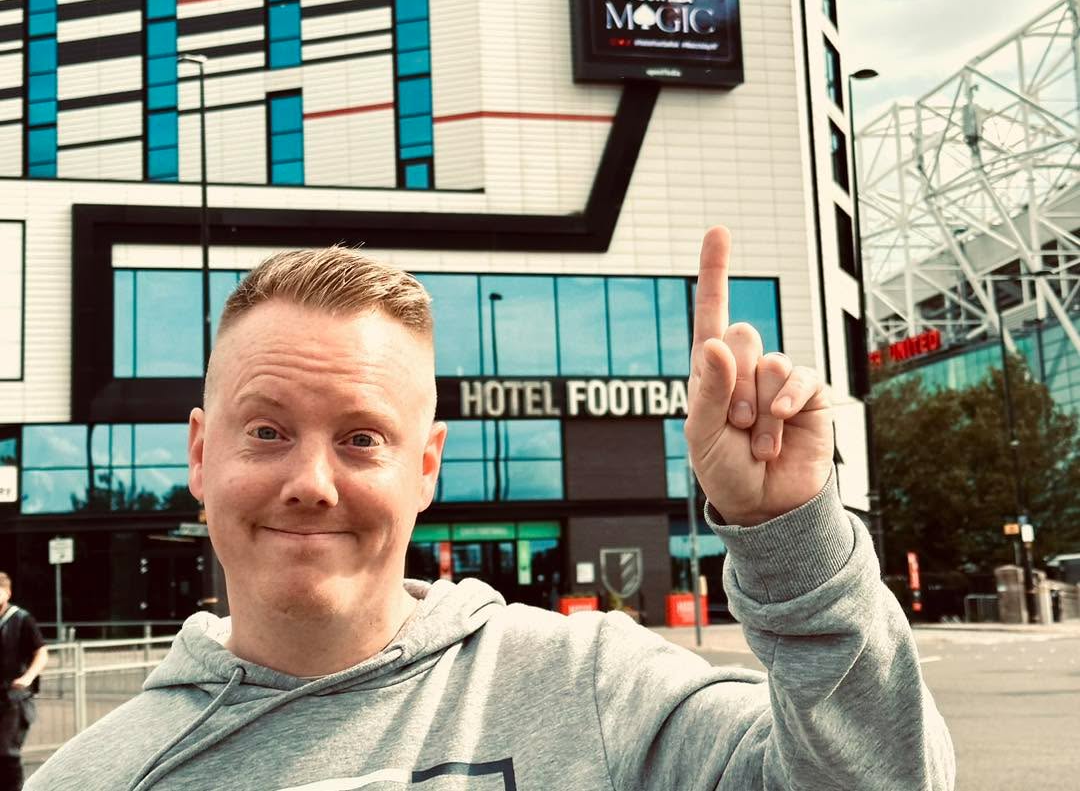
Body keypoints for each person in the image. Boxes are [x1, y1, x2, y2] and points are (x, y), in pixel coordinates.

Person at [28, 228, 955, 789]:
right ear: (200, 452)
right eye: (267, 431)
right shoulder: (97, 777)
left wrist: (791, 537)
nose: (311, 480)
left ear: (426, 466)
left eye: (361, 437)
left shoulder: (591, 690)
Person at [0, 572, 48, 791]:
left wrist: (28, 677)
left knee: (6, 751)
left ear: (7, 592)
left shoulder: (21, 619)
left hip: (14, 698)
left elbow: (41, 652)